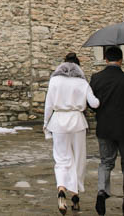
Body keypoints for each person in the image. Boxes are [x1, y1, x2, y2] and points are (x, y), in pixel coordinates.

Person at [89, 45, 124, 214]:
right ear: (121, 60)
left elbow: (91, 104)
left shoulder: (96, 78)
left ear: (106, 59)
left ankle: (102, 190)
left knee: (105, 163)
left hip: (105, 127)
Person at [44, 52, 99, 214]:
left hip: (59, 121)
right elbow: (94, 104)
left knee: (61, 158)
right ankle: (75, 195)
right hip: (77, 122)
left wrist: (46, 124)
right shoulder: (82, 82)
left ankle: (61, 188)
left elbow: (48, 105)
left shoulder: (54, 81)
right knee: (78, 158)